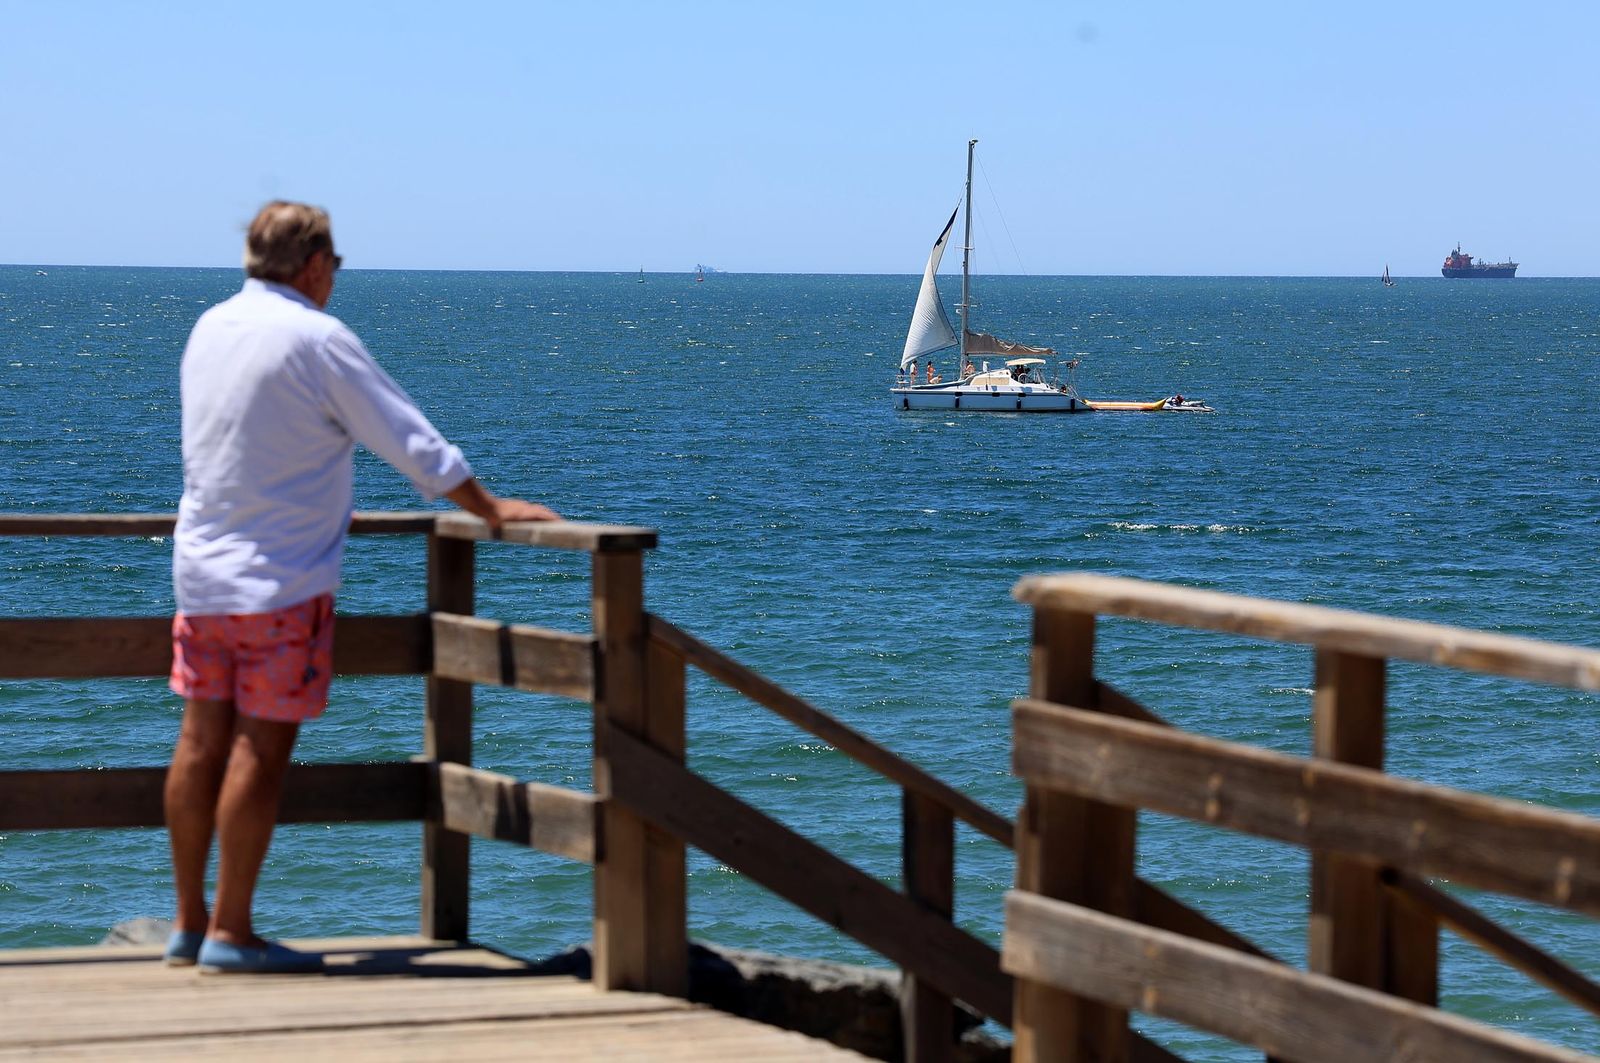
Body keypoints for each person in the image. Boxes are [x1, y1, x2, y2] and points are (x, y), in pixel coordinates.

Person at [162, 201, 557, 975]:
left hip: (200, 575)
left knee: (199, 739)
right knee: (258, 751)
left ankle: (187, 920)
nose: (334, 279)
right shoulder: (316, 338)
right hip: (279, 581)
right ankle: (230, 932)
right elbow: (411, 441)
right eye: (334, 265)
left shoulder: (210, 327)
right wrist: (490, 507)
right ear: (312, 264)